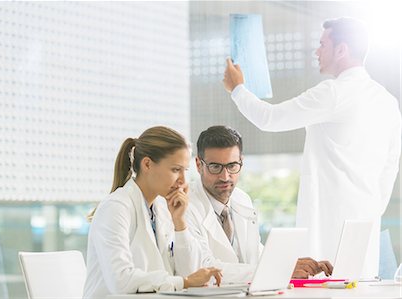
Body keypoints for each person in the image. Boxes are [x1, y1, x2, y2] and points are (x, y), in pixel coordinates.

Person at [223, 17, 401, 277]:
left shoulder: (334, 93)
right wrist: (372, 208)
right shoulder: (387, 101)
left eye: (322, 44)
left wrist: (237, 89)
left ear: (341, 50)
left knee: (325, 286)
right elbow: (391, 165)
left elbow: (269, 118)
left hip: (329, 225)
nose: (316, 51)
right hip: (365, 225)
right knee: (359, 288)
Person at [83, 126, 221, 298]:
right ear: (147, 164)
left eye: (185, 171)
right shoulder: (116, 207)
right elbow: (121, 280)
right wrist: (183, 282)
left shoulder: (162, 208)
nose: (183, 181)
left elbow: (191, 272)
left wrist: (180, 223)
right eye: (175, 170)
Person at [185, 125, 333, 283]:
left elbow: (256, 253)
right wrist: (280, 269)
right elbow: (203, 268)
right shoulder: (185, 207)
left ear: (241, 162)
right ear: (199, 165)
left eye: (232, 166)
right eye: (215, 167)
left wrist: (292, 265)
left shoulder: (242, 200)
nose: (225, 176)